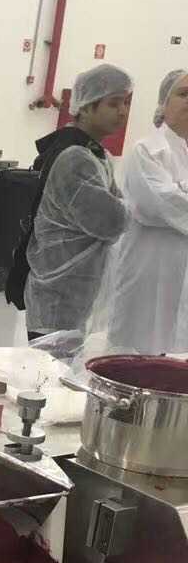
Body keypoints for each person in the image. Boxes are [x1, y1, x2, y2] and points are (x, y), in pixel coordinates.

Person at [8, 63, 132, 340]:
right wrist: (137, 208)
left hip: (75, 288)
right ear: (85, 107)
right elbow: (111, 221)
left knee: (66, 360)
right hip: (59, 290)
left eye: (125, 103)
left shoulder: (94, 154)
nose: (123, 111)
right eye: (113, 104)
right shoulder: (75, 158)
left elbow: (119, 207)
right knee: (52, 363)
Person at [108, 69, 188, 353]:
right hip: (149, 273)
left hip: (180, 279)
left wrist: (179, 189)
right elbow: (159, 204)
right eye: (183, 94)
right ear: (164, 103)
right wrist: (177, 193)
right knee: (138, 356)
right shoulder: (147, 151)